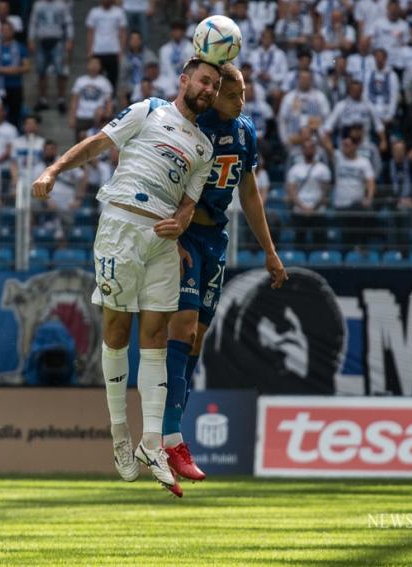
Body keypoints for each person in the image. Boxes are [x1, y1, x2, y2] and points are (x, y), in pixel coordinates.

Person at [32, 58, 221, 497]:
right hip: (121, 227)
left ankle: (151, 442)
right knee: (117, 329)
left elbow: (190, 203)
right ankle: (120, 431)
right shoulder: (149, 110)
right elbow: (98, 143)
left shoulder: (205, 147)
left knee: (156, 333)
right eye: (204, 81)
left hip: (162, 241)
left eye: (214, 86)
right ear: (185, 80)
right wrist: (53, 170)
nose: (209, 90)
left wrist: (181, 223)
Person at [164, 63, 287, 482]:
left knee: (196, 337)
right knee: (181, 326)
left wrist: (269, 252)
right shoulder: (189, 124)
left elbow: (248, 192)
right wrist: (174, 235)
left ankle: (171, 426)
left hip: (216, 239)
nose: (242, 102)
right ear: (213, 93)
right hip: (183, 239)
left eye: (244, 94)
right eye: (234, 95)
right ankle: (165, 436)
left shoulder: (245, 131)